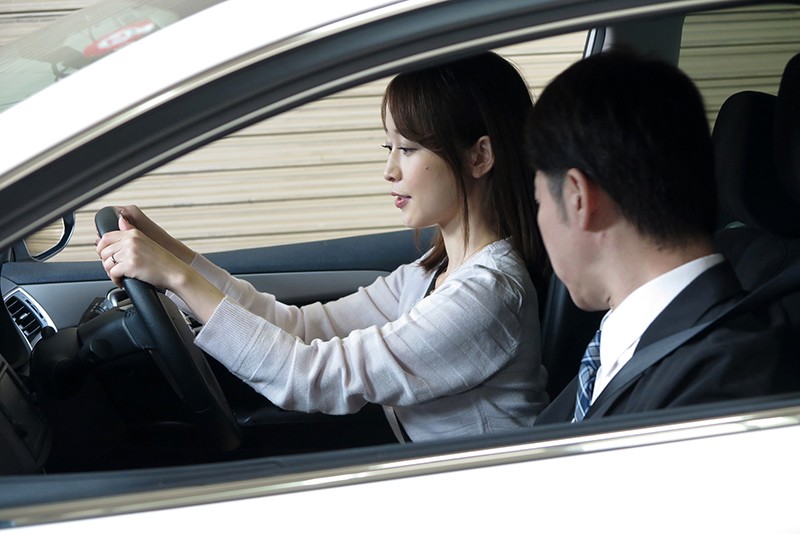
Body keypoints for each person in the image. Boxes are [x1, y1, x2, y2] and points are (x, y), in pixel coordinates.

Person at [96, 52, 550, 442]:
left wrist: (177, 277)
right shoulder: (429, 276)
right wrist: (175, 256)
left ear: (479, 156)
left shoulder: (486, 297)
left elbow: (307, 375)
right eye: (388, 147)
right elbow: (299, 328)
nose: (389, 170)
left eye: (408, 149)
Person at [526, 49, 797, 424]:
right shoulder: (628, 343)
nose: (539, 219)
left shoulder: (720, 383)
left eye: (539, 201)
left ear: (578, 198)